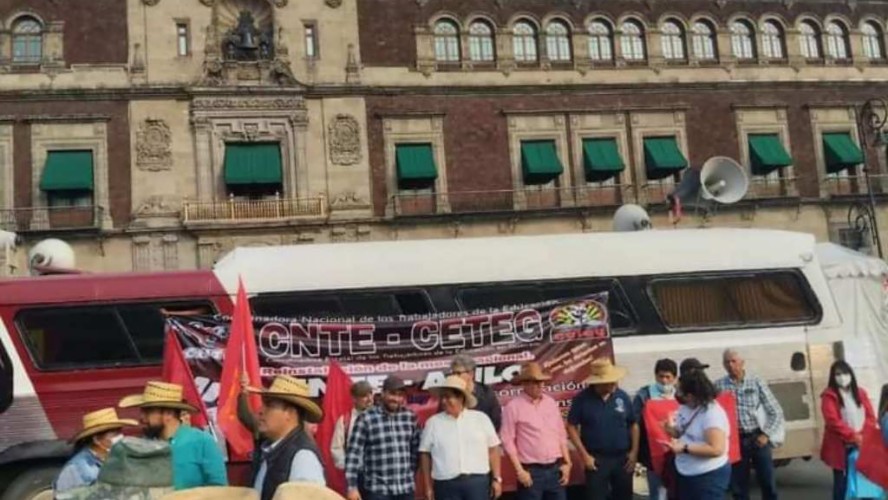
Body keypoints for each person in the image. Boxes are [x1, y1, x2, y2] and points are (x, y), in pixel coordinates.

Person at [119, 381, 228, 490]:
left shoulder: (202, 441)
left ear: (168, 414)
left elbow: (219, 488)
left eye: (148, 411)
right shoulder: (142, 447)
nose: (142, 418)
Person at [715, 349, 784, 500]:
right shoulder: (719, 386)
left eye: (734, 361)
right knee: (739, 488)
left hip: (757, 437)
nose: (731, 365)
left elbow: (776, 411)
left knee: (768, 483)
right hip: (735, 441)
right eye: (727, 362)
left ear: (742, 362)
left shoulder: (756, 381)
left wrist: (766, 434)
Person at [420, 374, 502, 500]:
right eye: (442, 397)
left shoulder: (481, 419)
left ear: (461, 398)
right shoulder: (433, 423)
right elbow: (425, 454)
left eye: (448, 397)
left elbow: (493, 449)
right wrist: (428, 486)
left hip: (477, 484)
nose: (443, 401)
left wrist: (497, 478)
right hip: (446, 485)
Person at [566, 358, 639, 500]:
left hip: (622, 459)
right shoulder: (581, 399)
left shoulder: (622, 396)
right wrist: (584, 455)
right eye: (611, 381)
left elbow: (633, 424)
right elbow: (571, 426)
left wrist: (634, 452)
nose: (615, 384)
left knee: (624, 496)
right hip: (596, 459)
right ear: (598, 382)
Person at [247, 375, 326, 500]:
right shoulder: (273, 450)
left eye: (270, 405)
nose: (260, 410)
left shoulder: (303, 457)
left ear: (290, 413)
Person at [501, 362, 572, 500]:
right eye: (536, 382)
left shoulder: (550, 402)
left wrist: (567, 463)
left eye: (542, 382)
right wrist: (520, 471)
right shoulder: (513, 407)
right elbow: (507, 440)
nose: (541, 385)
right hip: (531, 471)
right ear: (525, 383)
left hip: (555, 468)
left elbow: (560, 433)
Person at [345, 376, 420, 500]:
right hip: (377, 490)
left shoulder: (410, 417)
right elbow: (353, 454)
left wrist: (409, 474)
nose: (396, 399)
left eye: (400, 395)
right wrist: (352, 487)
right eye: (392, 394)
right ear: (383, 393)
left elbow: (415, 450)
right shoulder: (366, 418)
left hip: (405, 489)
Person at [664, 368, 731, 500]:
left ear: (690, 396)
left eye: (680, 391)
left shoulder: (712, 414)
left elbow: (716, 449)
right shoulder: (686, 406)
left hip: (708, 476)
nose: (677, 394)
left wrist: (684, 448)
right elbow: (682, 431)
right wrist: (671, 430)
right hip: (686, 472)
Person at [820, 360, 877, 500]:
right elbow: (833, 421)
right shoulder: (829, 396)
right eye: (837, 374)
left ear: (851, 374)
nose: (842, 377)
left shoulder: (860, 393)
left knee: (863, 482)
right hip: (841, 446)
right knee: (842, 483)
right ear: (833, 377)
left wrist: (863, 435)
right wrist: (853, 436)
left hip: (862, 443)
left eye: (845, 373)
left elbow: (870, 416)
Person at [54, 407, 138, 494]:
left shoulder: (118, 458)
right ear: (97, 440)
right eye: (115, 434)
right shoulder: (76, 469)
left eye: (120, 432)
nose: (121, 437)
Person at [632, 358, 678, 500]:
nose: (664, 381)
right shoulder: (643, 395)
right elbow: (635, 423)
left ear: (675, 378)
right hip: (649, 452)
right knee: (653, 491)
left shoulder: (681, 395)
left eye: (668, 377)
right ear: (655, 376)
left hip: (676, 451)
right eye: (661, 376)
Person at [447, 354, 502, 430]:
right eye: (453, 373)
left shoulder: (486, 393)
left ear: (471, 374)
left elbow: (496, 421)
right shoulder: (447, 394)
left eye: (458, 373)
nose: (454, 377)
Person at [332, 380, 375, 471]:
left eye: (370, 394)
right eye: (364, 396)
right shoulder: (345, 421)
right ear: (354, 399)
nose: (369, 399)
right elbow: (336, 448)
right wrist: (348, 467)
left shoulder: (381, 417)